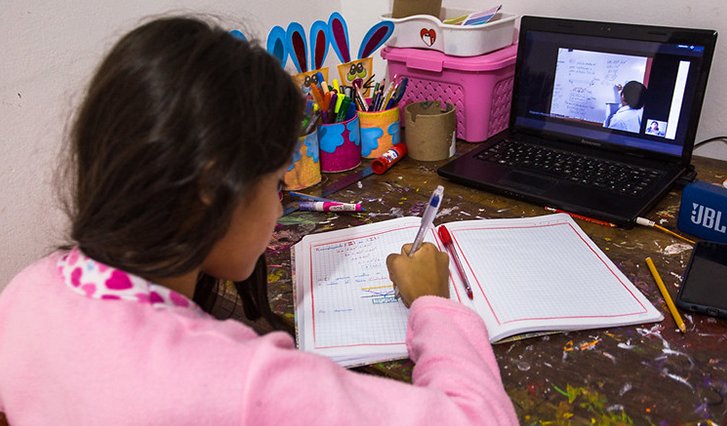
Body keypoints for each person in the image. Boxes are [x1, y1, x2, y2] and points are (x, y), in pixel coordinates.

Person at [0, 16, 518, 424]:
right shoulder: (247, 384)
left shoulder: (26, 294)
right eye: (276, 182)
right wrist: (433, 305)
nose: (283, 200)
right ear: (210, 190)